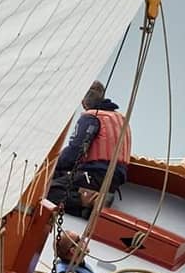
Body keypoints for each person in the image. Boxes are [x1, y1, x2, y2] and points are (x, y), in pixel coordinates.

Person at [47, 80, 131, 216]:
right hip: (113, 179)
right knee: (57, 177)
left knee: (48, 190)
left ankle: (88, 203)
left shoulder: (92, 117)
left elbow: (73, 154)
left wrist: (51, 165)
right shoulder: (120, 119)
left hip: (96, 175)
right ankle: (87, 200)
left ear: (83, 101)